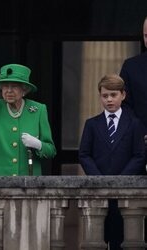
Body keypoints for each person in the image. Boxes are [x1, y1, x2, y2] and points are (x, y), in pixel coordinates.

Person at [0, 63, 56, 246]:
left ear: (24, 90)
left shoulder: (38, 110)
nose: (8, 90)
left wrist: (38, 144)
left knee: (26, 240)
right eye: (4, 86)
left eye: (14, 86)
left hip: (28, 187)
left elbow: (51, 150)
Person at [79, 74, 145, 250]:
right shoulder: (91, 124)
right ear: (100, 96)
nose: (109, 99)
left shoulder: (134, 124)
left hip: (125, 194)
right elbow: (84, 154)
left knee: (123, 240)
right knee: (97, 241)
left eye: (113, 95)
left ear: (123, 95)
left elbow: (139, 155)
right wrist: (99, 180)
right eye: (105, 95)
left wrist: (121, 180)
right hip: (98, 193)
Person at [120, 16, 147, 151]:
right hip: (140, 146)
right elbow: (124, 105)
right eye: (146, 36)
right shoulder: (131, 66)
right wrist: (141, 132)